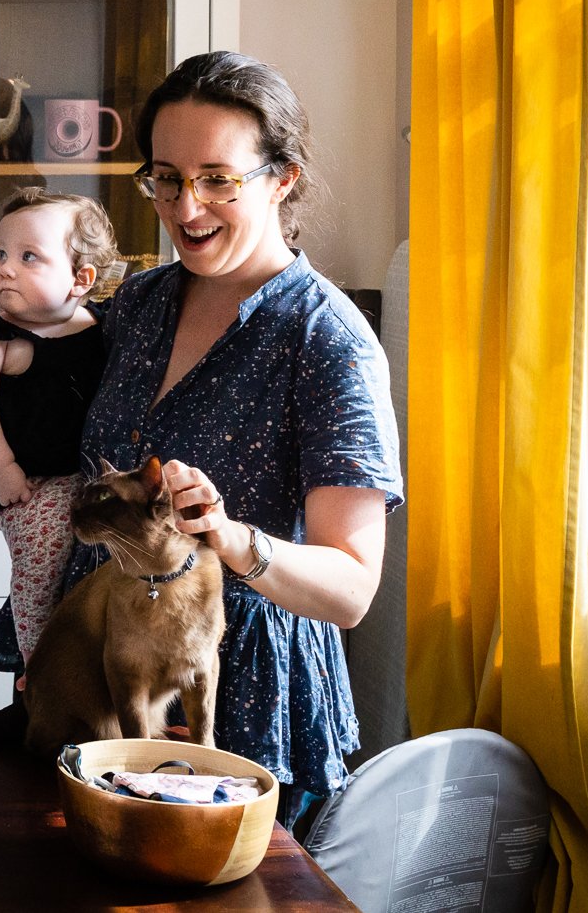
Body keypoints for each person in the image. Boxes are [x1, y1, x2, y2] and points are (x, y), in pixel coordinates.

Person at [76, 50, 402, 826]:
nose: (186, 206)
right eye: (164, 176)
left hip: (236, 697)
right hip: (105, 677)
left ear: (282, 178)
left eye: (218, 179)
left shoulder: (327, 339)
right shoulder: (139, 304)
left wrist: (228, 536)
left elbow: (353, 589)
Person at [0, 188, 115, 676]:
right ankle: (37, 659)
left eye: (28, 257)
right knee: (44, 545)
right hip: (15, 469)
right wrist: (3, 470)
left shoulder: (103, 328)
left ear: (81, 279)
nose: (5, 269)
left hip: (77, 467)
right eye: (0, 255)